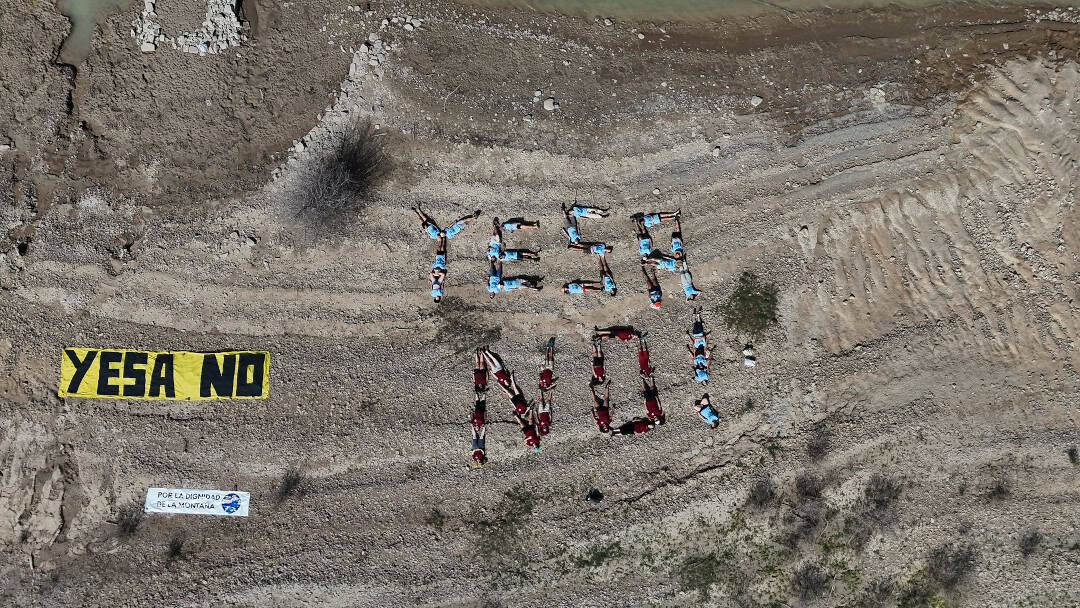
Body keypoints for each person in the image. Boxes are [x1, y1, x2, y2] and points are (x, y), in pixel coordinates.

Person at [429, 233, 447, 303]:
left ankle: (441, 238)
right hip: (438, 283)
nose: (437, 297)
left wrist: (430, 282)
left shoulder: (432, 294)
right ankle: (443, 238)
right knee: (442, 249)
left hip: (434, 283)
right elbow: (442, 286)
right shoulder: (440, 294)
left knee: (439, 249)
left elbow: (431, 288)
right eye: (438, 298)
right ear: (439, 298)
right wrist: (443, 281)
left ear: (434, 298)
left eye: (436, 298)